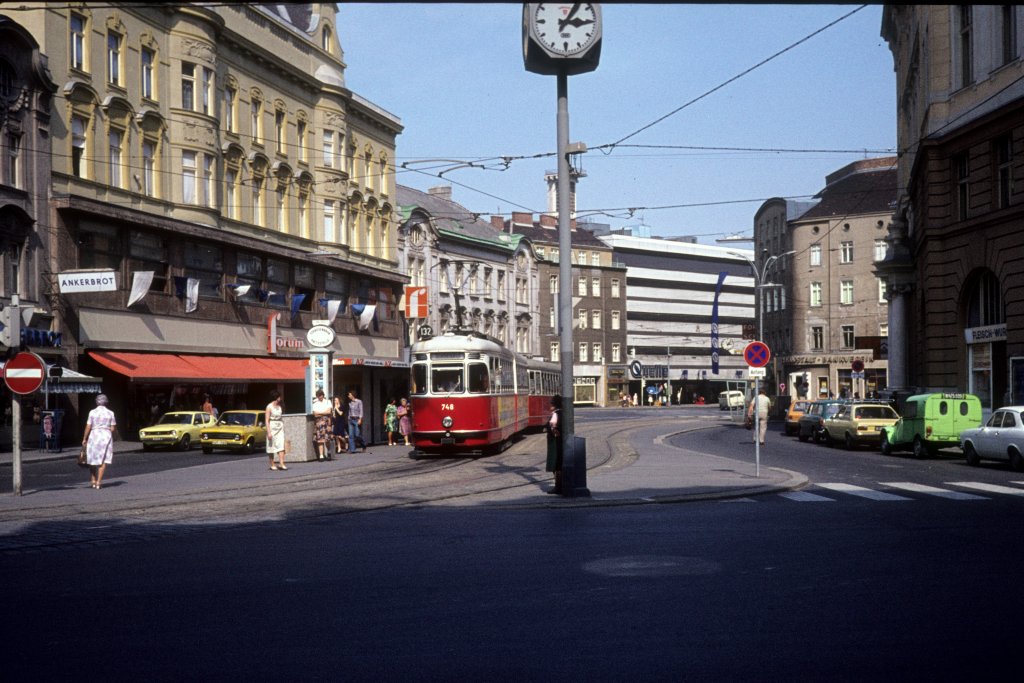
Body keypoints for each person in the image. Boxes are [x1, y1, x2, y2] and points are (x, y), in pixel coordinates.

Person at [82, 393, 117, 489]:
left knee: (92, 458)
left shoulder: (92, 412)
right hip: (106, 436)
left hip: (94, 436)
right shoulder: (111, 413)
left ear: (96, 402)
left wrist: (84, 438)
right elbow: (113, 428)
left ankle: (93, 480)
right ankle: (98, 482)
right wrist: (106, 430)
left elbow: (88, 426)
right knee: (103, 460)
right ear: (106, 402)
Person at [545, 394, 564, 495]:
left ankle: (558, 486)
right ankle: (560, 485)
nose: (550, 405)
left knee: (556, 465)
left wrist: (552, 430)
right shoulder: (563, 413)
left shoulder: (555, 414)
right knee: (559, 464)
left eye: (551, 404)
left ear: (555, 404)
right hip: (560, 442)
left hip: (555, 443)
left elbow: (553, 426)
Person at [265, 390, 287, 471]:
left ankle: (281, 464)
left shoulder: (280, 406)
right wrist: (269, 432)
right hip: (272, 426)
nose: (280, 398)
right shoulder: (269, 407)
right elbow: (267, 420)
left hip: (279, 426)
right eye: (279, 397)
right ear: (276, 397)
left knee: (281, 445)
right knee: (271, 446)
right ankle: (272, 464)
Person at [311, 389, 333, 460]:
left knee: (327, 439)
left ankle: (328, 452)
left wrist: (320, 413)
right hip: (318, 423)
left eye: (321, 395)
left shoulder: (328, 402)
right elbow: (315, 414)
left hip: (326, 422)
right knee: (320, 440)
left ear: (323, 395)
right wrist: (324, 413)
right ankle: (321, 455)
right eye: (318, 396)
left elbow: (329, 411)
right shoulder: (315, 403)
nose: (320, 397)